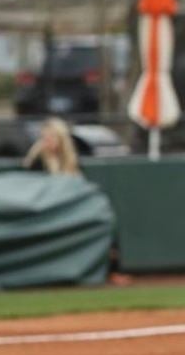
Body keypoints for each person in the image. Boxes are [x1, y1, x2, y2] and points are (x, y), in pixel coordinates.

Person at [23, 118, 132, 286]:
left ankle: (112, 271)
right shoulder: (37, 160)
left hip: (69, 210)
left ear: (61, 139)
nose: (47, 142)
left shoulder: (72, 160)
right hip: (44, 212)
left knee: (106, 220)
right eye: (45, 138)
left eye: (51, 137)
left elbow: (81, 188)